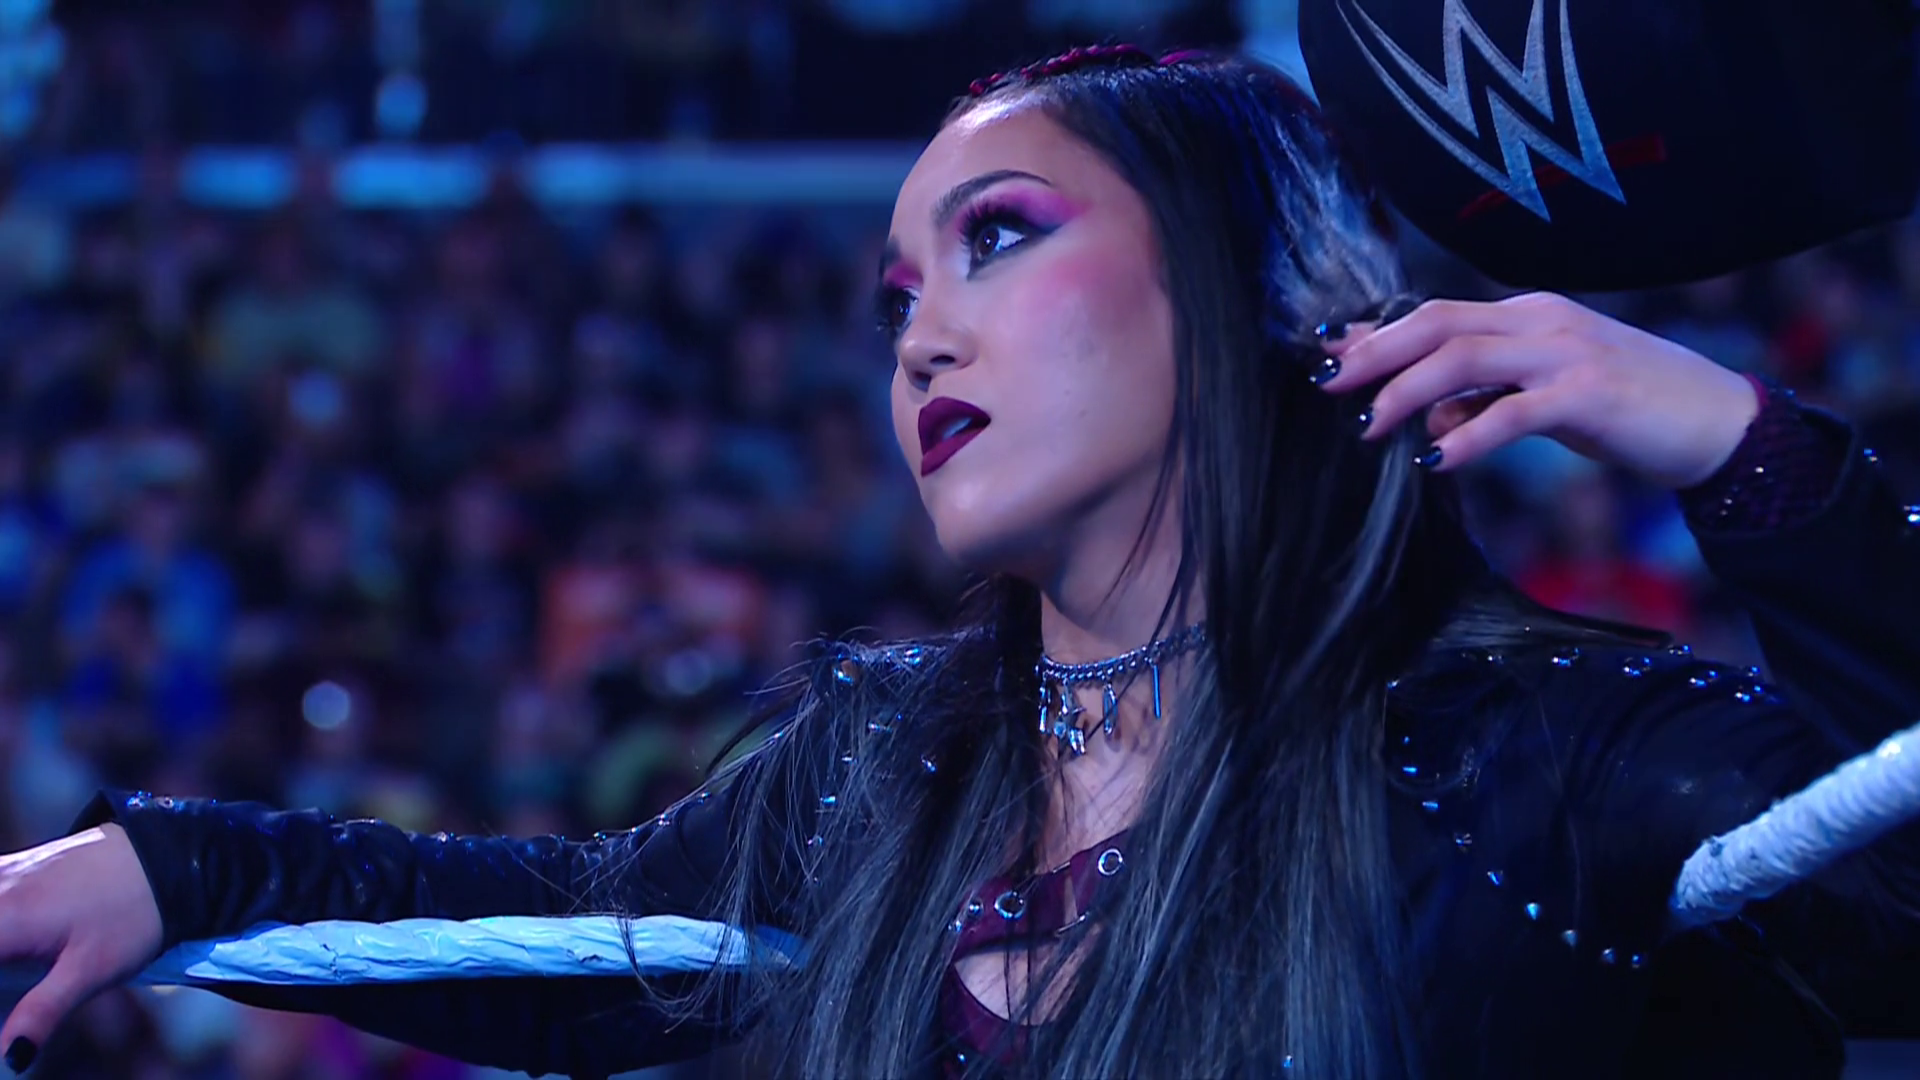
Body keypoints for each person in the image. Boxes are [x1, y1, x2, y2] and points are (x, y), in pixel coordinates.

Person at [2, 44, 1918, 1080]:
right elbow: (566, 937)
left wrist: (1745, 446)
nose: (919, 335)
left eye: (998, 237)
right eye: (898, 292)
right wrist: (175, 868)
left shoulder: (1542, 754)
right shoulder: (881, 765)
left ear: (1252, 281)